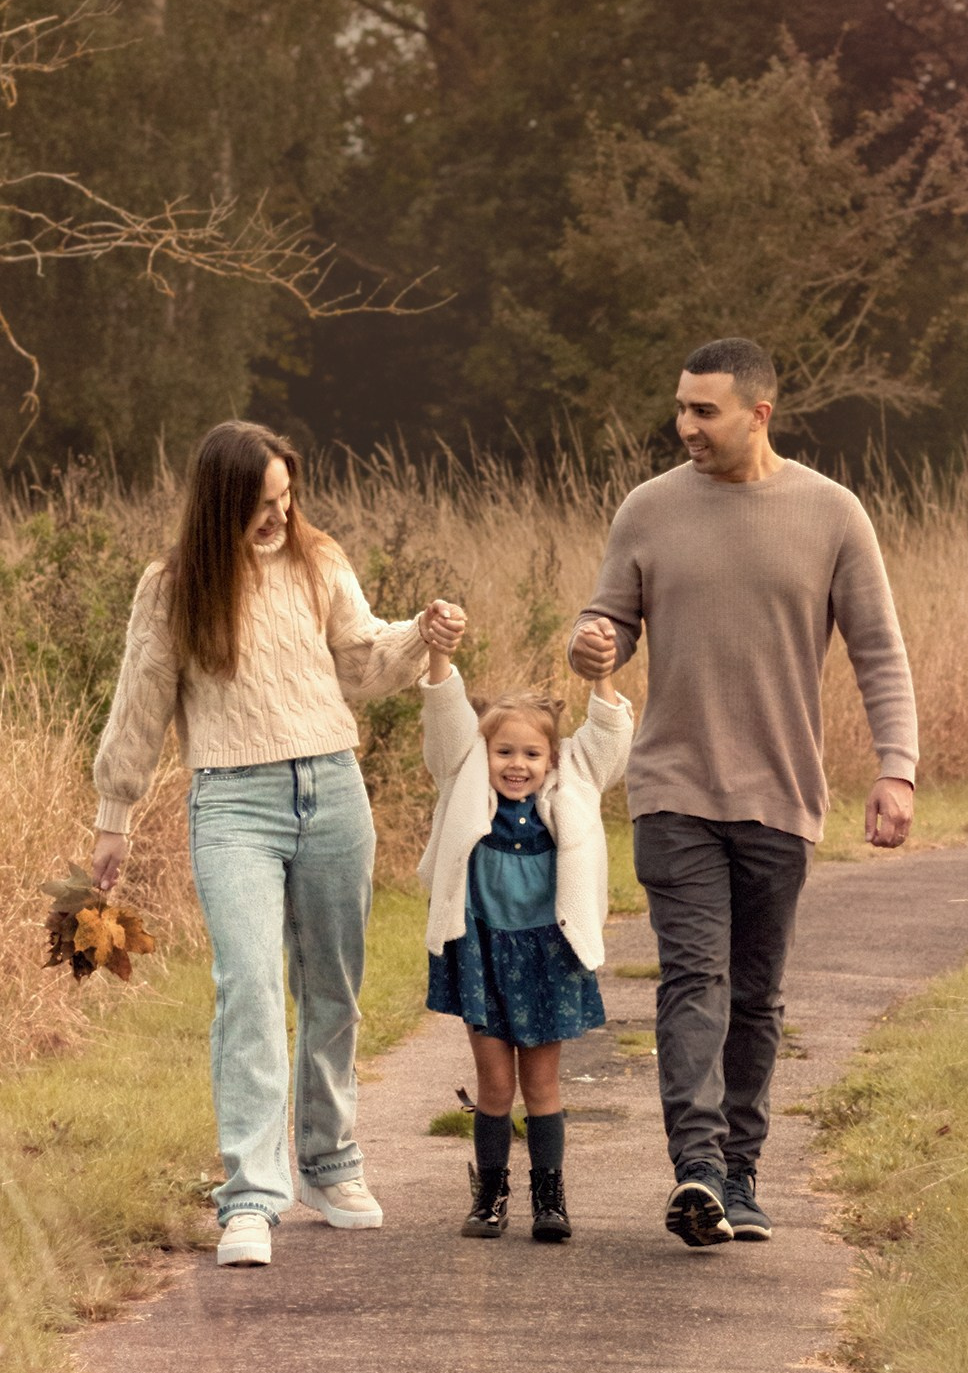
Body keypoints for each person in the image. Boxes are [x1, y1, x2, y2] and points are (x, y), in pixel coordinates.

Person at [90, 420, 466, 1269]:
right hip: (233, 803)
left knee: (333, 986)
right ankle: (251, 1198)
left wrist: (422, 634)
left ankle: (331, 1164)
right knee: (250, 988)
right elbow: (139, 705)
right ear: (222, 500)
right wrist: (112, 820)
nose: (278, 517)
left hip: (333, 788)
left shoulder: (318, 560)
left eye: (287, 499)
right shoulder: (173, 587)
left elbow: (362, 664)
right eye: (261, 504)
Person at [569, 336, 917, 1251]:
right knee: (694, 976)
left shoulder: (832, 513)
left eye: (704, 410)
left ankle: (744, 1173)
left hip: (781, 792)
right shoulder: (647, 509)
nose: (685, 425)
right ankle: (699, 1168)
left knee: (757, 994)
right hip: (672, 786)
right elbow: (606, 621)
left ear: (759, 413)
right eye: (680, 407)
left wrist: (897, 767)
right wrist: (592, 643)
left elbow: (879, 650)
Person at [418, 652, 632, 1244]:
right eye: (504, 752)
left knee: (541, 1085)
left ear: (553, 759)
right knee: (493, 1084)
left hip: (548, 954)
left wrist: (601, 676)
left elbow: (610, 734)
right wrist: (438, 656)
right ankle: (490, 1195)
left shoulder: (573, 787)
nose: (517, 765)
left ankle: (549, 1197)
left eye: (532, 753)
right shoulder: (463, 784)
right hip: (482, 950)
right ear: (483, 755)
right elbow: (444, 719)